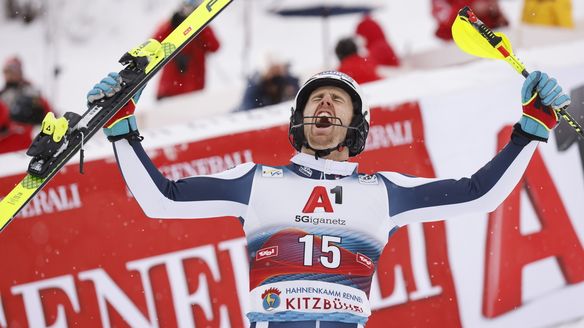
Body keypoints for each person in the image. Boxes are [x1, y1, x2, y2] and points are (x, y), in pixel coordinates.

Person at [84, 63, 569, 327]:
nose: (324, 103)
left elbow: (478, 195)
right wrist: (124, 131)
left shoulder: (384, 191)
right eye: (315, 98)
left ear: (356, 125)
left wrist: (530, 131)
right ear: (299, 121)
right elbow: (160, 200)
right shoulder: (255, 181)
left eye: (337, 99)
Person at [152, 0, 220, 99]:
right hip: (169, 90)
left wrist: (202, 24)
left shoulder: (203, 28)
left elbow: (215, 46)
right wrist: (172, 24)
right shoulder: (171, 24)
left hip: (194, 90)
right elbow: (154, 44)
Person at [0, 56, 53, 126]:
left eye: (11, 72)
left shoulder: (29, 90)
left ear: (19, 72)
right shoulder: (3, 93)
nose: (9, 76)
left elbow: (47, 111)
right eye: (6, 72)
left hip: (28, 132)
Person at [432, 0, 508, 40]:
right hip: (455, 46)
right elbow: (445, 22)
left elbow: (501, 23)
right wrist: (472, 8)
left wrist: (497, 16)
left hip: (488, 41)